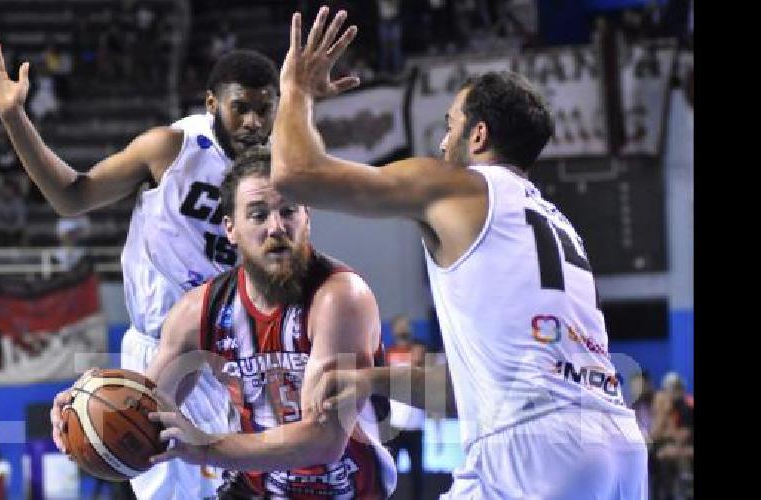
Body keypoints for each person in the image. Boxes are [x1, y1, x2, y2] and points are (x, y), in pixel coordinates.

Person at [272, 7, 648, 498]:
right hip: (617, 447)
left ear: (478, 135)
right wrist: (372, 378)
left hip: (533, 449)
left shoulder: (456, 187)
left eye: (450, 125)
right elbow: (471, 392)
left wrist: (295, 92)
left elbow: (294, 174)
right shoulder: (559, 227)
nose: (444, 139)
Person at [0, 41, 279, 499]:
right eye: (240, 109)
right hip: (158, 349)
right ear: (213, 103)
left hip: (226, 355)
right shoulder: (170, 149)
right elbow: (71, 196)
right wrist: (13, 116)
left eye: (264, 109)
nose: (253, 122)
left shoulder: (281, 171)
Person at [75, 148, 398, 497]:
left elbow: (323, 440)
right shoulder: (198, 311)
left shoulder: (340, 297)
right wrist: (84, 403)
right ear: (231, 229)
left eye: (288, 211)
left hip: (342, 488)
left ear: (307, 216)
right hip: (253, 487)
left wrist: (207, 449)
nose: (276, 227)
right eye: (258, 215)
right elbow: (146, 408)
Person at [383, 315, 426, 497]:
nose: (404, 329)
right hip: (394, 424)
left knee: (417, 472)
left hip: (415, 424)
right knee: (390, 472)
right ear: (393, 330)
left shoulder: (420, 352)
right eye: (400, 326)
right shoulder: (387, 354)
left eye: (407, 325)